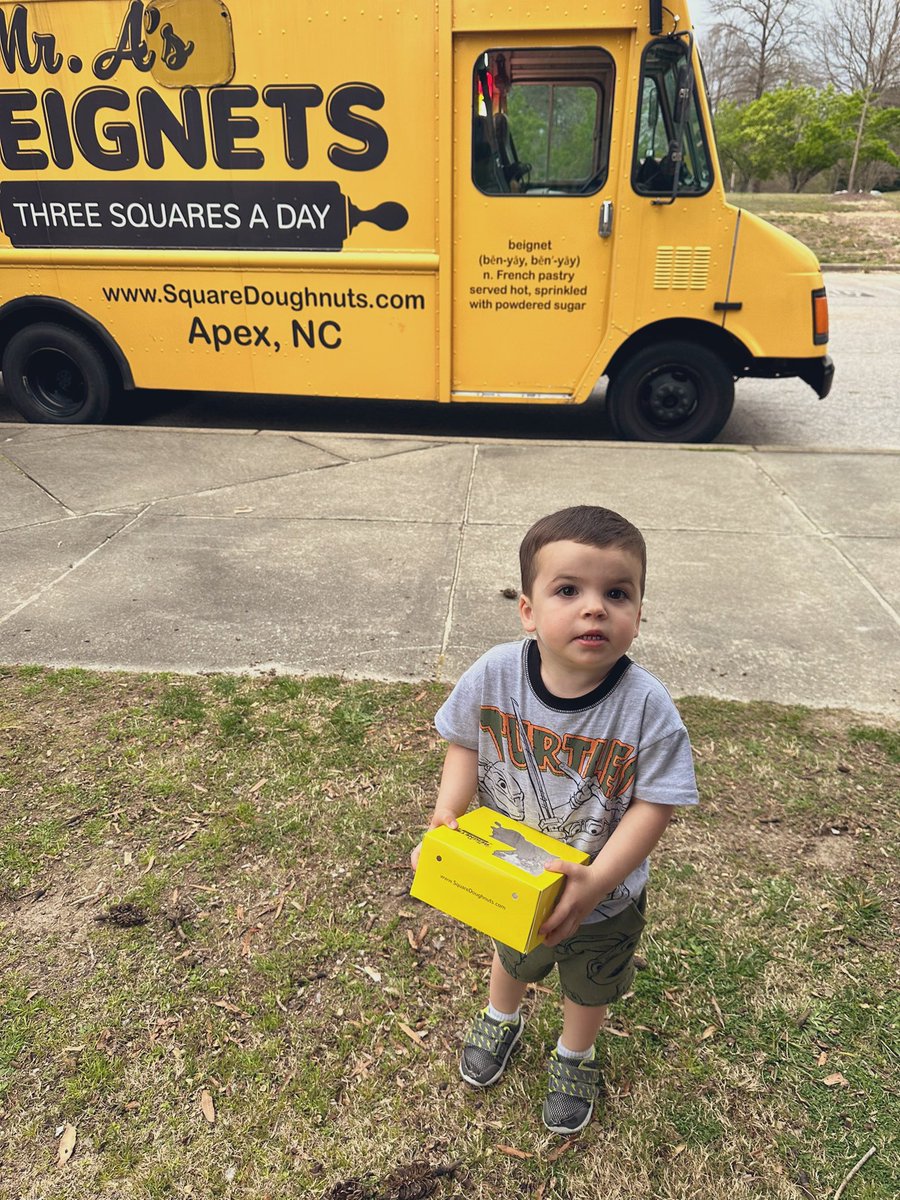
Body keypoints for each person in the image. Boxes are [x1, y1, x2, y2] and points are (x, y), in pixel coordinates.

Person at [410, 505, 698, 1134]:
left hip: (606, 894)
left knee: (589, 984)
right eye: (568, 590)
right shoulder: (495, 673)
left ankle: (576, 1053)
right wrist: (446, 813)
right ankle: (501, 1016)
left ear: (639, 613)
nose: (594, 607)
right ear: (529, 610)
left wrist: (596, 881)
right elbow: (466, 739)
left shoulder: (646, 705)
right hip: (513, 876)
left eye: (617, 592)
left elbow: (658, 802)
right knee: (512, 956)